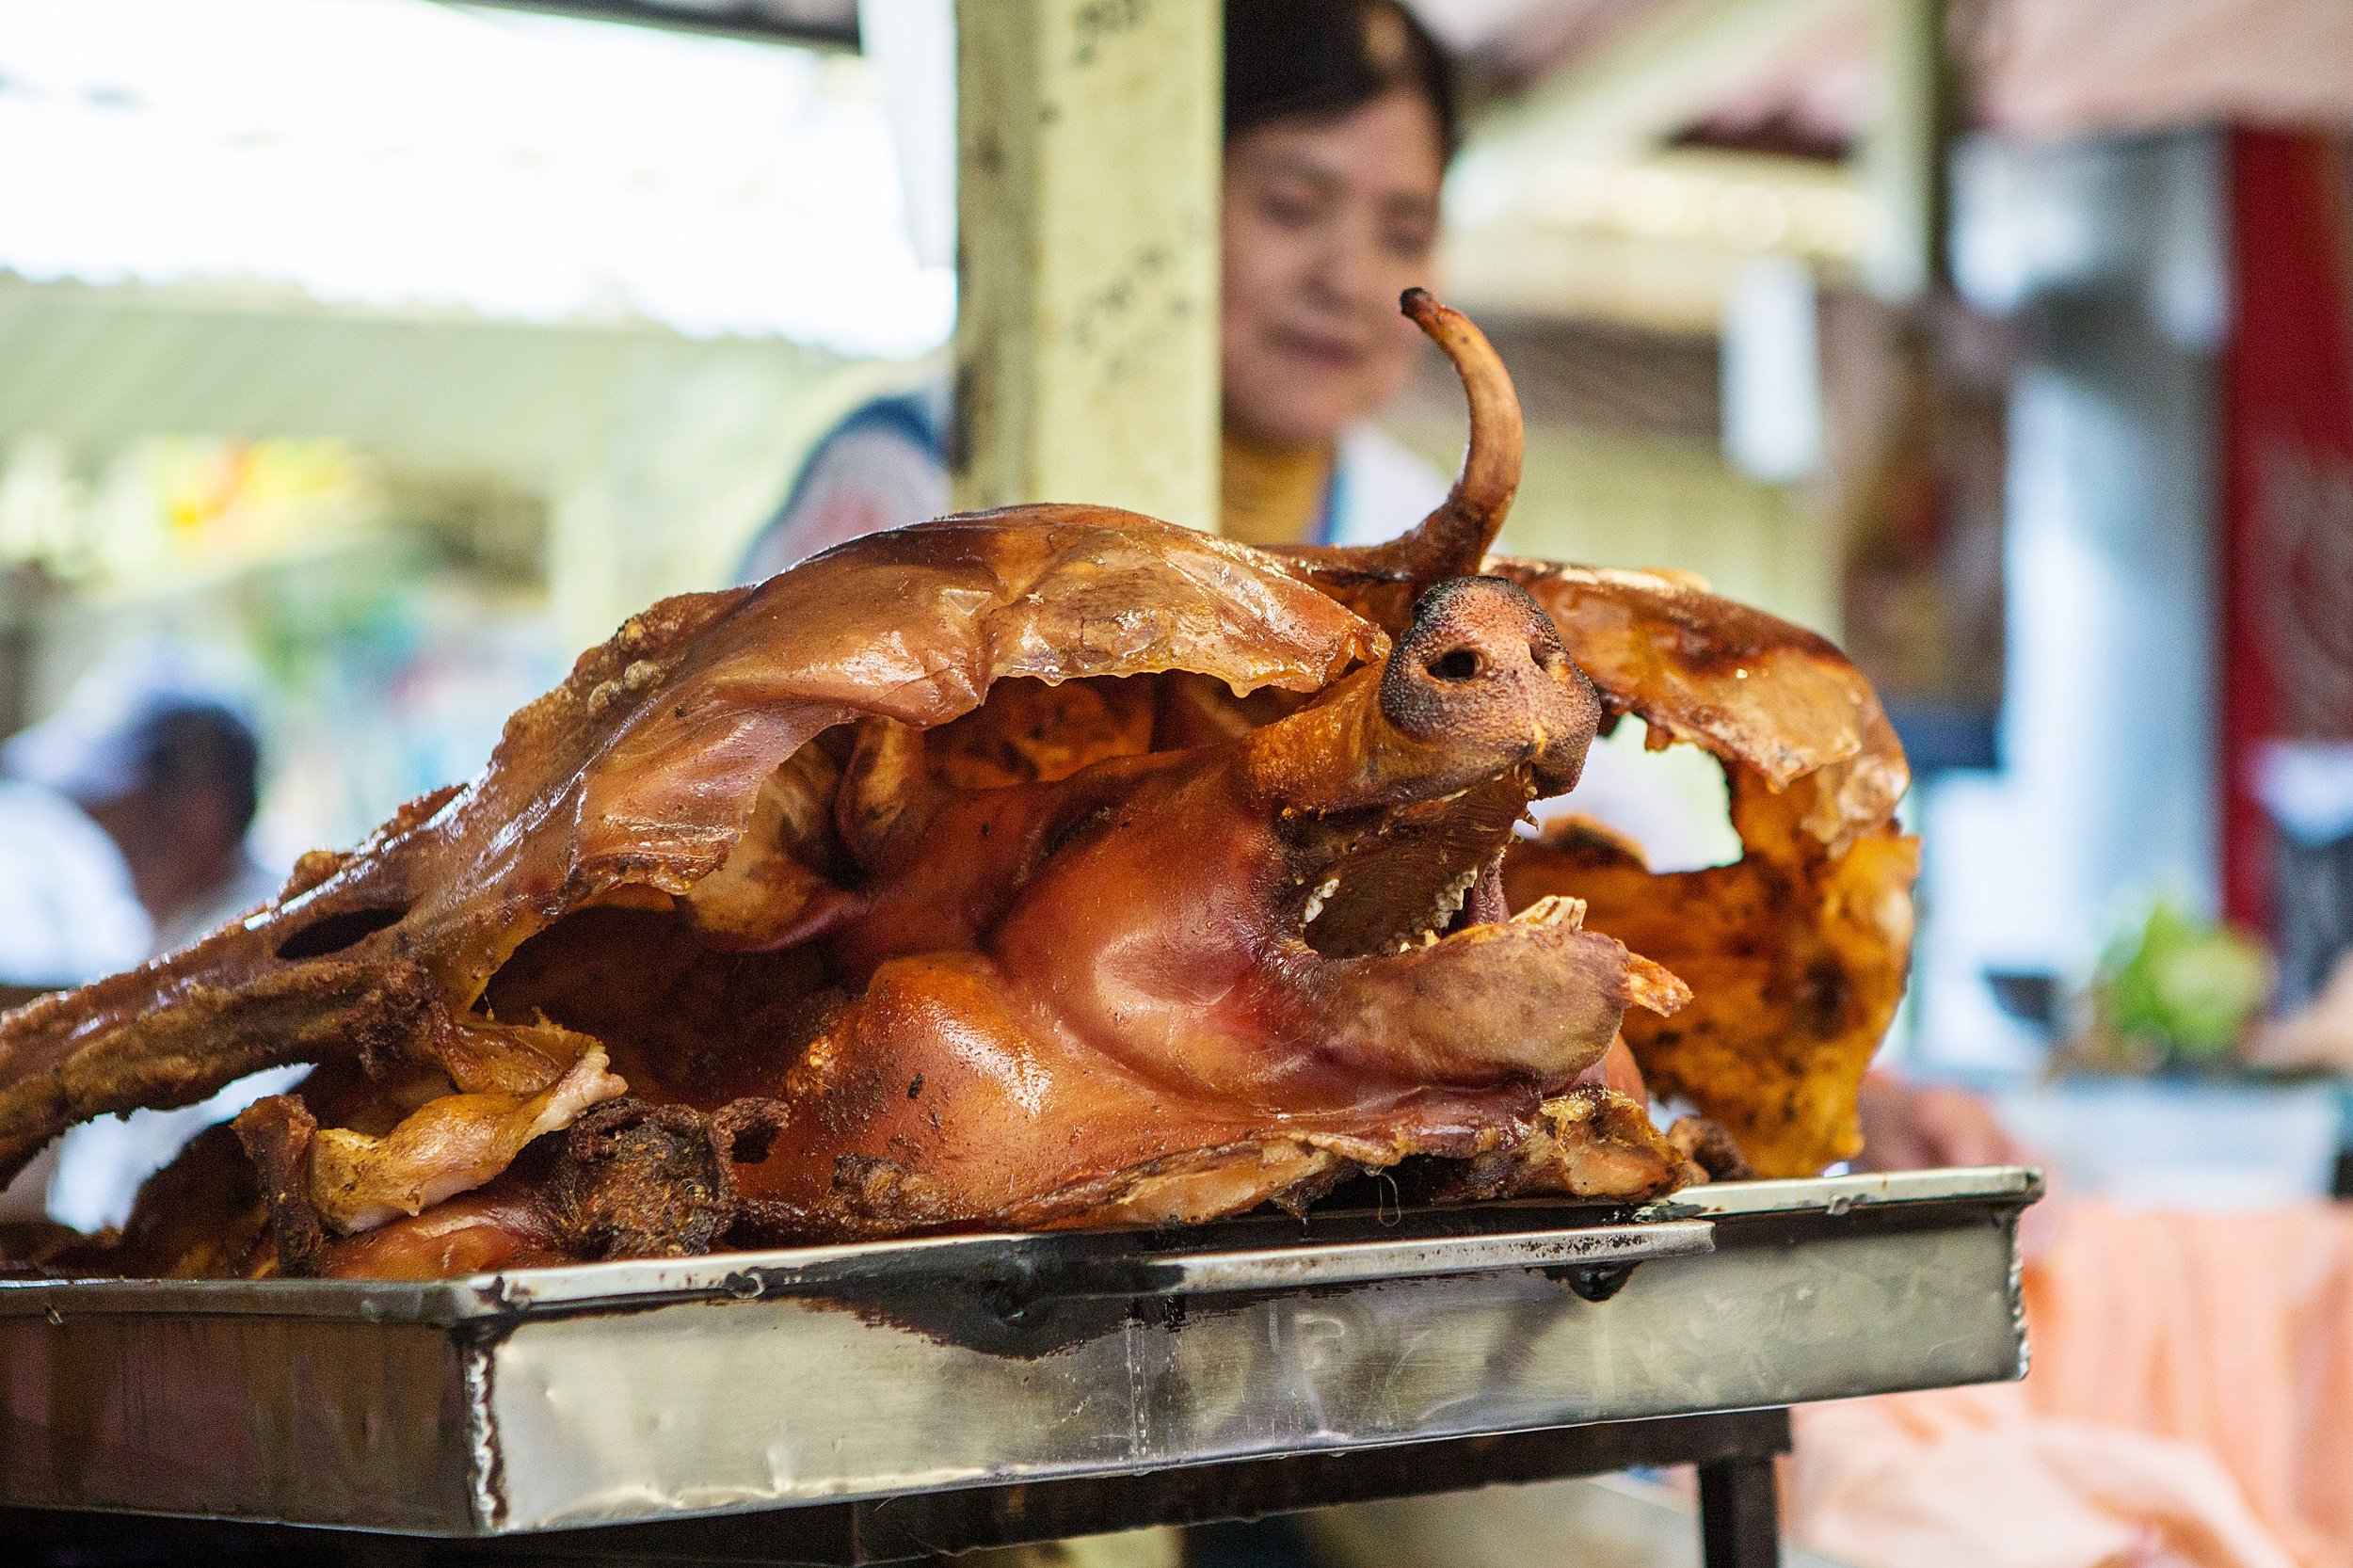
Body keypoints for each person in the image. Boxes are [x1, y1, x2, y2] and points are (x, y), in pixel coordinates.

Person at [738, 0, 1460, 578]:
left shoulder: (1438, 539)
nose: (1350, 282)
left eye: (1403, 234)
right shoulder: (913, 486)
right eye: (1290, 205)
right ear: (1154, 204)